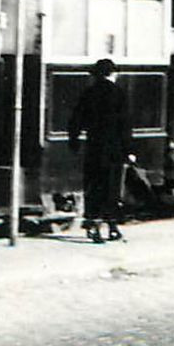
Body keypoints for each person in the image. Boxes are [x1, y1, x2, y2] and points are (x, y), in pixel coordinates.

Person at [68, 58, 132, 243]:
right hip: (114, 150)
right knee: (112, 187)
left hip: (94, 147)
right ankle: (112, 227)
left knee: (94, 185)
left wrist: (74, 140)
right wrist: (129, 150)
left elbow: (76, 119)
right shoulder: (119, 93)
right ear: (114, 74)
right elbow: (125, 125)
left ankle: (93, 227)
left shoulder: (89, 92)